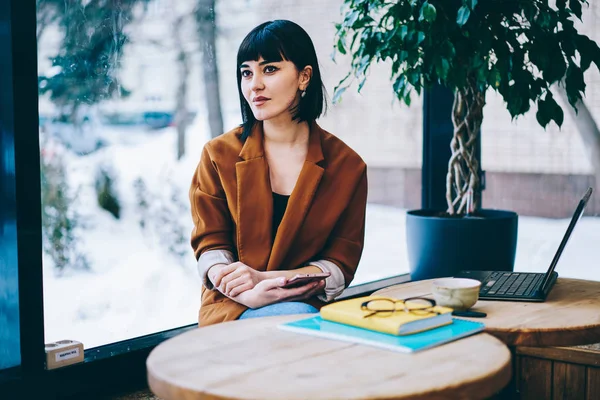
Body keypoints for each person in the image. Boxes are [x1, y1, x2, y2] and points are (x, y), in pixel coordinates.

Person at [189, 19, 368, 326]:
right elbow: (210, 246)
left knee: (297, 319)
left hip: (301, 305)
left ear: (304, 76)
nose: (254, 84)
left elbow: (339, 265)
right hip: (231, 305)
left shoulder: (347, 166)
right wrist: (246, 291)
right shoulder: (219, 155)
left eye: (269, 69)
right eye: (247, 72)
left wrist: (267, 280)